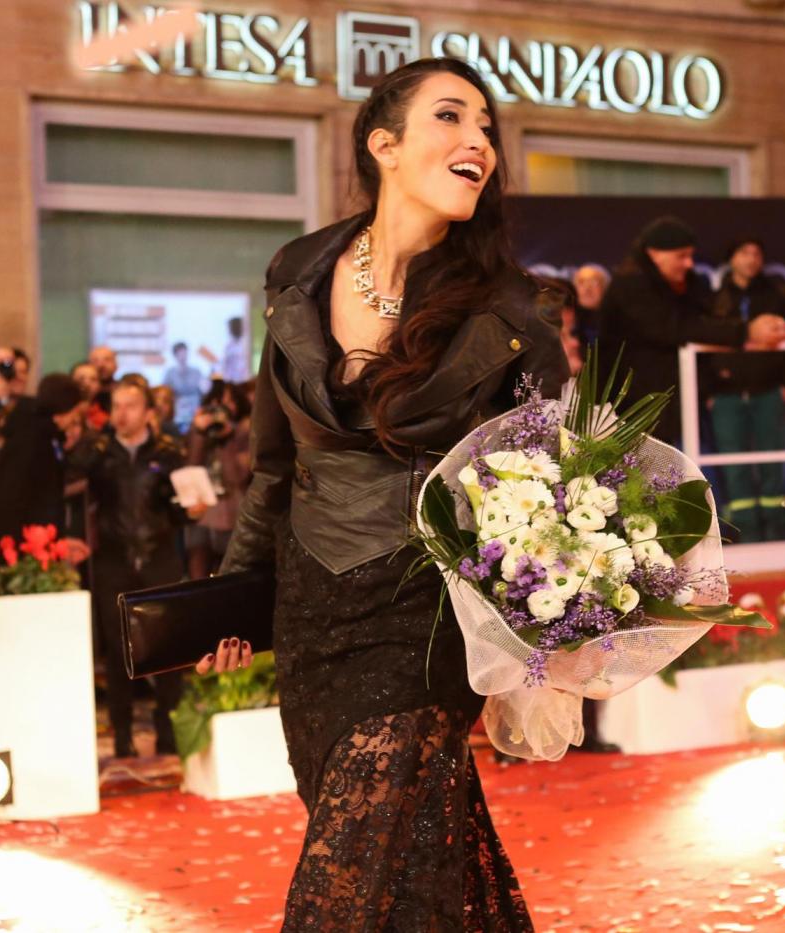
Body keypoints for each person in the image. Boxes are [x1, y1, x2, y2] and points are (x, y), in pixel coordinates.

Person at [204, 58, 566, 929]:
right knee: (409, 866)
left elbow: (548, 482)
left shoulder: (514, 312)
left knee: (349, 879)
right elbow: (274, 464)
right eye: (451, 116)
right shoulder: (297, 272)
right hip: (312, 606)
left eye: (487, 127)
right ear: (384, 145)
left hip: (425, 613)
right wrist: (233, 593)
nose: (478, 140)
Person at [75, 379, 200, 758]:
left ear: (148, 412)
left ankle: (168, 731)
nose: (121, 414)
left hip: (159, 558)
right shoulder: (99, 453)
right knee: (118, 652)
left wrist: (194, 510)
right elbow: (69, 483)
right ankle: (122, 734)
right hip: (113, 561)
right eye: (116, 405)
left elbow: (180, 511)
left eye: (130, 405)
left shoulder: (168, 452)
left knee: (168, 648)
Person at [596, 215, 785, 446]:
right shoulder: (629, 284)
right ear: (654, 253)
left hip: (668, 403)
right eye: (681, 256)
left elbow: (709, 317)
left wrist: (761, 328)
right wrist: (747, 331)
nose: (689, 263)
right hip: (627, 406)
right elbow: (676, 328)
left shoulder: (686, 282)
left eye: (690, 255)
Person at [706, 236, 785, 542]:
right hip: (726, 396)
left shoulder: (776, 297)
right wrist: (708, 391)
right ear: (731, 259)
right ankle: (745, 533)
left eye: (756, 254)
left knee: (771, 465)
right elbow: (700, 346)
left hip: (768, 392)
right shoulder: (715, 299)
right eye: (744, 253)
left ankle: (776, 531)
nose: (751, 259)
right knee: (733, 467)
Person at [0, 373, 84, 539]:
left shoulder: (49, 435)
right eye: (74, 412)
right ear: (62, 410)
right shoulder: (30, 439)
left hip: (41, 534)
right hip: (25, 537)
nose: (75, 418)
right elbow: (18, 495)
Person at [184, 380, 251, 579]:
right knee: (198, 573)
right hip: (203, 512)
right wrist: (199, 432)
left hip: (234, 514)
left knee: (231, 574)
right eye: (218, 402)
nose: (223, 408)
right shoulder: (202, 431)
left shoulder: (247, 430)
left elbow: (236, 477)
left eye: (229, 402)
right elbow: (191, 466)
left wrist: (226, 439)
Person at [163, 342, 205, 431]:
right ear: (175, 355)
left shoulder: (196, 371)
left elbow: (203, 390)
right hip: (178, 411)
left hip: (194, 409)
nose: (183, 355)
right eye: (180, 353)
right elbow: (165, 392)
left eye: (184, 352)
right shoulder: (170, 373)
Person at [572, 263, 609, 347]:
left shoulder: (619, 322)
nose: (587, 288)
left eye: (594, 282)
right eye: (581, 282)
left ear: (605, 287)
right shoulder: (566, 324)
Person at [220, 317, 251, 383]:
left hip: (245, 382)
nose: (229, 331)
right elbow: (225, 367)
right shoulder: (228, 347)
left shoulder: (246, 345)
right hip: (232, 383)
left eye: (230, 328)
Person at [89, 345, 118, 412]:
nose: (101, 365)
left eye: (107, 360)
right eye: (95, 361)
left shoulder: (123, 390)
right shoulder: (81, 395)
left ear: (116, 365)